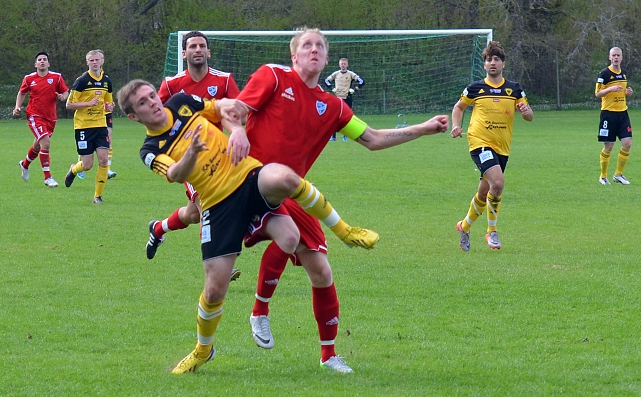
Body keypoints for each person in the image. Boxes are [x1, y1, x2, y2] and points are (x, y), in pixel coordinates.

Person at [117, 79, 377, 374]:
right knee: (215, 289)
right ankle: (203, 350)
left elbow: (224, 109)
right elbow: (176, 173)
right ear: (133, 117)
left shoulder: (180, 102)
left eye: (152, 95)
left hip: (247, 175)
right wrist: (191, 152)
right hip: (217, 203)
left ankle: (344, 230)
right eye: (142, 103)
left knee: (285, 184)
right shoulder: (150, 149)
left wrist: (238, 129)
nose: (152, 102)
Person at [226, 28, 448, 373]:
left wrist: (422, 128)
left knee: (321, 270)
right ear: (294, 55)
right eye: (306, 45)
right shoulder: (273, 76)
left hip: (292, 191)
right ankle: (259, 310)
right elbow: (235, 109)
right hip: (251, 183)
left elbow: (373, 138)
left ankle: (329, 355)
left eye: (320, 47)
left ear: (327, 60)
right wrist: (238, 129)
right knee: (279, 240)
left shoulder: (332, 106)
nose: (314, 50)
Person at [146, 31, 241, 263]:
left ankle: (158, 229)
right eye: (192, 46)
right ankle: (216, 264)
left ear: (208, 52)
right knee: (208, 207)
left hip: (221, 156)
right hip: (188, 160)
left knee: (193, 214)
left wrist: (239, 133)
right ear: (184, 53)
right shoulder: (172, 84)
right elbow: (154, 117)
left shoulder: (224, 80)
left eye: (201, 46)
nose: (197, 50)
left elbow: (238, 114)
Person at [451, 40, 533, 251]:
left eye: (497, 59)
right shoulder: (475, 88)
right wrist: (456, 125)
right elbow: (458, 107)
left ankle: (464, 226)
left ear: (503, 64)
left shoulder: (514, 89)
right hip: (480, 142)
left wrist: (526, 112)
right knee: (498, 183)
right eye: (489, 60)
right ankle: (492, 232)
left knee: (484, 193)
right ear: (485, 65)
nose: (493, 63)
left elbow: (530, 116)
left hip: (502, 147)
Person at [63, 49, 115, 204]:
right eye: (91, 60)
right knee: (87, 165)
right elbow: (69, 104)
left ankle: (97, 196)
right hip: (83, 127)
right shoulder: (82, 81)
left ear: (102, 61)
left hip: (100, 125)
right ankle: (73, 170)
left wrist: (109, 107)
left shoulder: (107, 81)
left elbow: (107, 104)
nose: (94, 62)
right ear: (87, 62)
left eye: (97, 60)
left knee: (104, 160)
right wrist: (88, 103)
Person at [13, 52, 69, 187]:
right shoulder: (29, 79)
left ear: (48, 63)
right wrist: (17, 107)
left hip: (51, 118)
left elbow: (66, 91)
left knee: (38, 146)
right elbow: (22, 92)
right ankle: (47, 177)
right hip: (34, 115)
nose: (42, 61)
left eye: (45, 59)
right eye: (39, 60)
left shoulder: (56, 77)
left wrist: (63, 97)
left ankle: (25, 164)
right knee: (46, 143)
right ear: (35, 64)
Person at [596, 46, 634, 185]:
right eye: (614, 55)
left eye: (618, 55)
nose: (616, 58)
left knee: (627, 143)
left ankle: (618, 174)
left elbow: (621, 91)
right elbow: (597, 94)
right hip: (608, 114)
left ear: (622, 58)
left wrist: (627, 92)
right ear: (609, 57)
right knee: (609, 146)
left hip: (623, 113)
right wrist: (610, 88)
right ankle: (603, 176)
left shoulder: (623, 73)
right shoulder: (604, 74)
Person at [324, 57, 365, 141]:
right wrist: (332, 88)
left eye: (344, 64)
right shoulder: (336, 74)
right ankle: (333, 136)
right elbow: (326, 81)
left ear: (347, 65)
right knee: (335, 116)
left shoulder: (350, 74)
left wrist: (354, 89)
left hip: (347, 97)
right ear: (339, 65)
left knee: (347, 118)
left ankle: (346, 136)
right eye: (341, 64)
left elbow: (362, 81)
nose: (343, 65)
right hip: (337, 98)